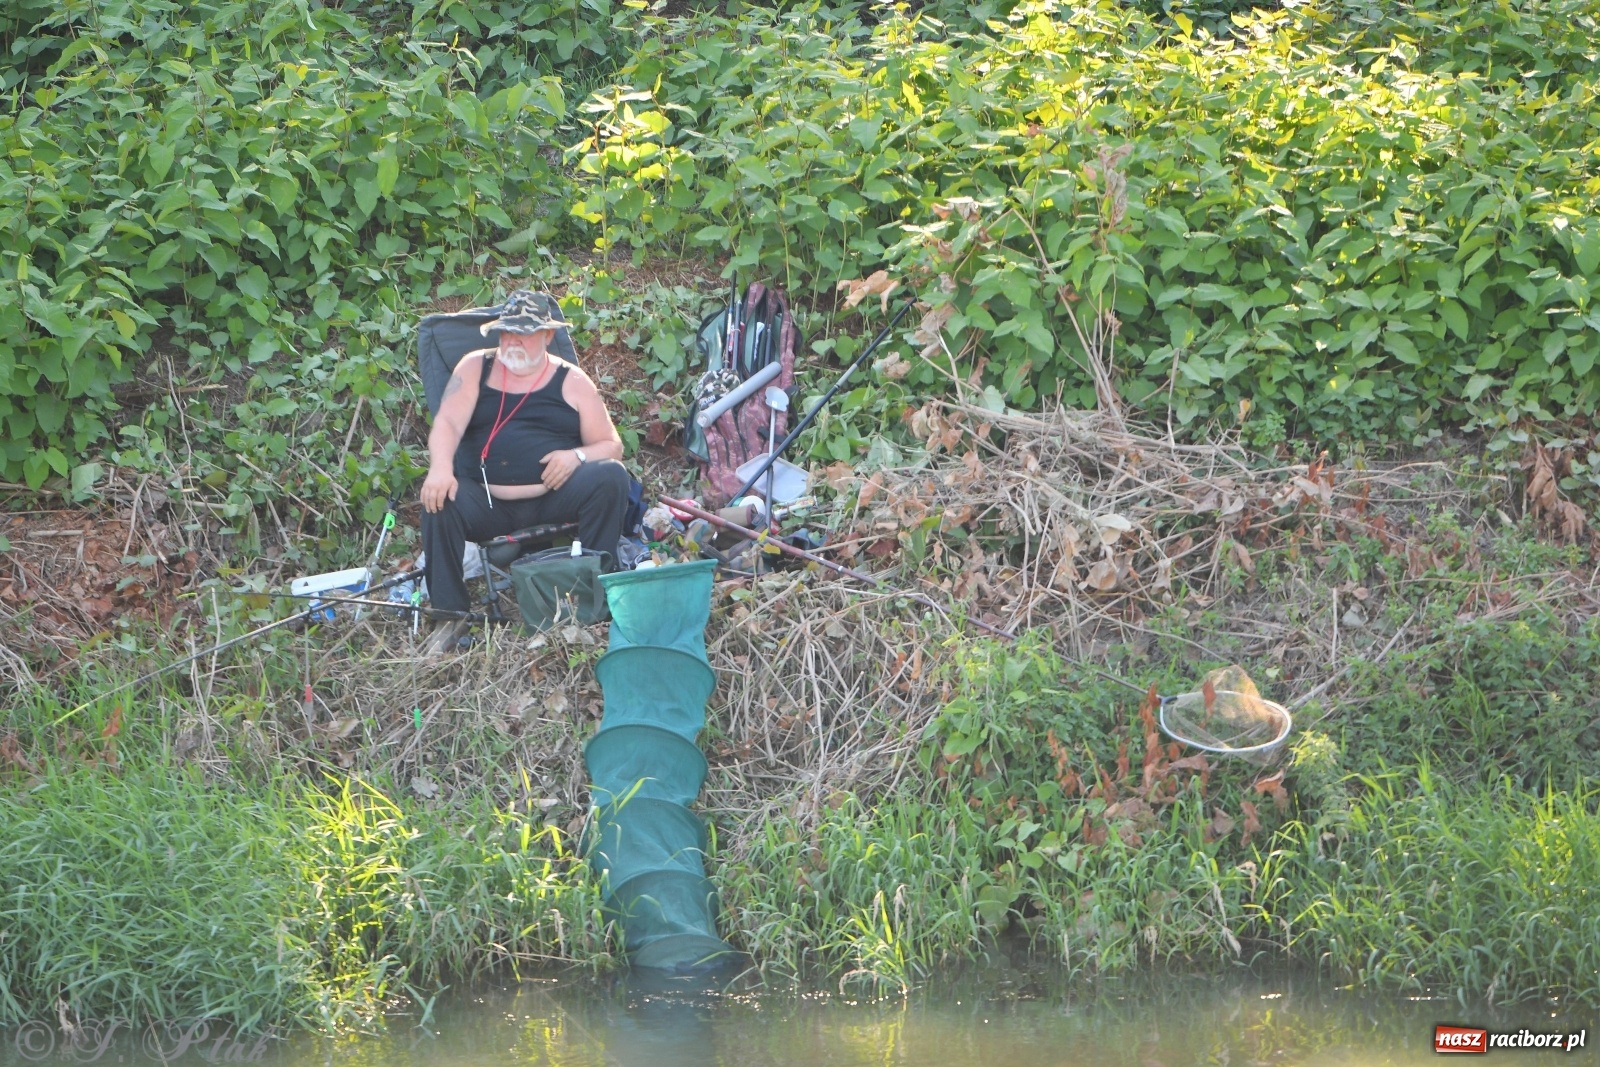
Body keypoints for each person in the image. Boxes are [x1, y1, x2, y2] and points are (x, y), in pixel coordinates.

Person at [418, 293, 630, 653]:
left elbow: (612, 445)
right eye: (506, 333)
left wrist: (575, 456)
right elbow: (448, 423)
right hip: (488, 503)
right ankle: (450, 615)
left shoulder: (572, 380)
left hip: (554, 497)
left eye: (524, 334)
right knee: (439, 501)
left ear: (548, 336)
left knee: (610, 476)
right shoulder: (475, 366)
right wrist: (439, 468)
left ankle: (595, 592)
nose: (512, 341)